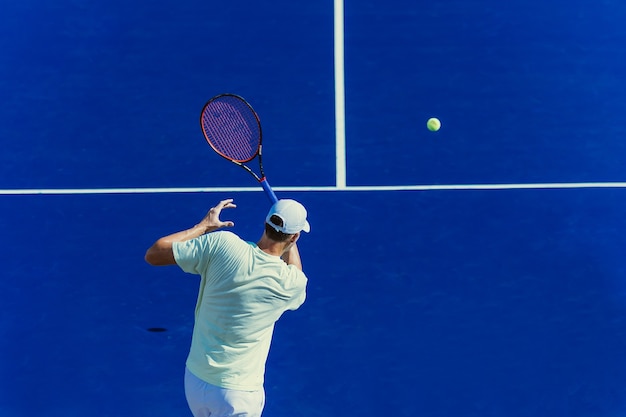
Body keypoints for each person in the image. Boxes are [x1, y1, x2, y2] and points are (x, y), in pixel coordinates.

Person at [144, 198, 310, 417]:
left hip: (196, 381)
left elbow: (155, 254)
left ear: (265, 223)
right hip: (238, 396)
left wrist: (203, 227)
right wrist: (290, 242)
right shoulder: (291, 284)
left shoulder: (222, 245)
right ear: (295, 236)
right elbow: (295, 270)